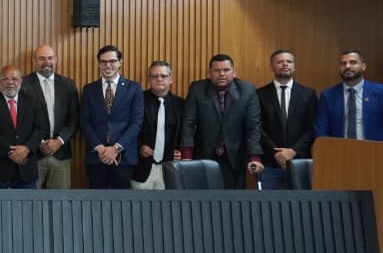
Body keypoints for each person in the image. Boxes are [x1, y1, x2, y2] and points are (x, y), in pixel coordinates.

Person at [180, 54, 264, 189]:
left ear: (234, 72)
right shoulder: (197, 89)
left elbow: (253, 126)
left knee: (233, 204)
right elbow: (188, 123)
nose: (222, 74)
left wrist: (254, 157)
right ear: (209, 73)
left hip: (235, 157)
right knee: (204, 202)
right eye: (217, 70)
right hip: (204, 155)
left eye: (226, 70)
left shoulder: (247, 90)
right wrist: (187, 155)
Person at [78, 45, 143, 189]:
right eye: (103, 61)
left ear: (120, 62)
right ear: (98, 64)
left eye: (112, 61)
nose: (108, 65)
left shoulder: (134, 88)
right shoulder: (89, 89)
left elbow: (136, 122)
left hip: (124, 157)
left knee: (122, 205)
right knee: (96, 204)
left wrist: (116, 149)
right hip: (96, 157)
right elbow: (84, 122)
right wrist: (100, 148)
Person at [19, 44, 80, 189]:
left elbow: (75, 118)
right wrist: (38, 142)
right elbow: (20, 121)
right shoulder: (23, 84)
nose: (47, 62)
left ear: (56, 60)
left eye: (50, 58)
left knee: (60, 205)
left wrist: (59, 141)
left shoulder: (68, 85)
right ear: (34, 61)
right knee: (31, 203)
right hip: (33, 155)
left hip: (61, 154)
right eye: (41, 59)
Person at [255, 49, 316, 190]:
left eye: (289, 61)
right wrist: (277, 153)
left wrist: (294, 150)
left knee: (302, 207)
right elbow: (257, 127)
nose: (285, 64)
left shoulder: (308, 94)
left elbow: (312, 127)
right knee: (270, 207)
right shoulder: (259, 94)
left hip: (300, 161)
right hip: (270, 162)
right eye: (280, 62)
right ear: (271, 67)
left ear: (294, 66)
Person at [0, 65, 46, 189]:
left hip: (27, 170)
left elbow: (40, 128)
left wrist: (27, 148)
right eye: (5, 79)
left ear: (20, 81)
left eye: (14, 79)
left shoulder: (32, 102)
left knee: (28, 208)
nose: (10, 82)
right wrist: (12, 152)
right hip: (0, 171)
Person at [315, 50, 383, 142]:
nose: (347, 66)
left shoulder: (382, 92)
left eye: (353, 62)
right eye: (343, 63)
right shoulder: (328, 95)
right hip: (339, 151)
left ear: (363, 66)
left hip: (374, 151)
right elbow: (321, 128)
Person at [130, 61, 184, 190]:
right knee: (139, 208)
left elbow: (186, 132)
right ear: (149, 79)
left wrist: (181, 150)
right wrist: (139, 146)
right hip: (142, 168)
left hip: (170, 168)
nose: (159, 79)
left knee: (167, 209)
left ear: (170, 79)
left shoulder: (181, 104)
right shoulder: (137, 100)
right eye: (154, 76)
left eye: (163, 76)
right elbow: (127, 128)